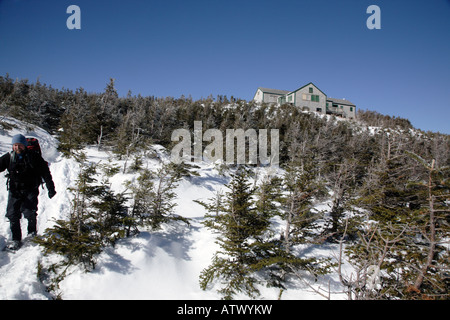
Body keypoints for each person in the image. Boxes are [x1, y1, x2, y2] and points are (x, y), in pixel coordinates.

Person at [0, 134, 56, 251]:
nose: (17, 147)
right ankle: (16, 239)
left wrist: (51, 188)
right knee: (12, 214)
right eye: (15, 145)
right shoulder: (9, 157)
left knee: (30, 212)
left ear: (24, 145)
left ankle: (31, 233)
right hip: (14, 190)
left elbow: (45, 172)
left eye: (19, 145)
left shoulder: (34, 157)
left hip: (30, 188)